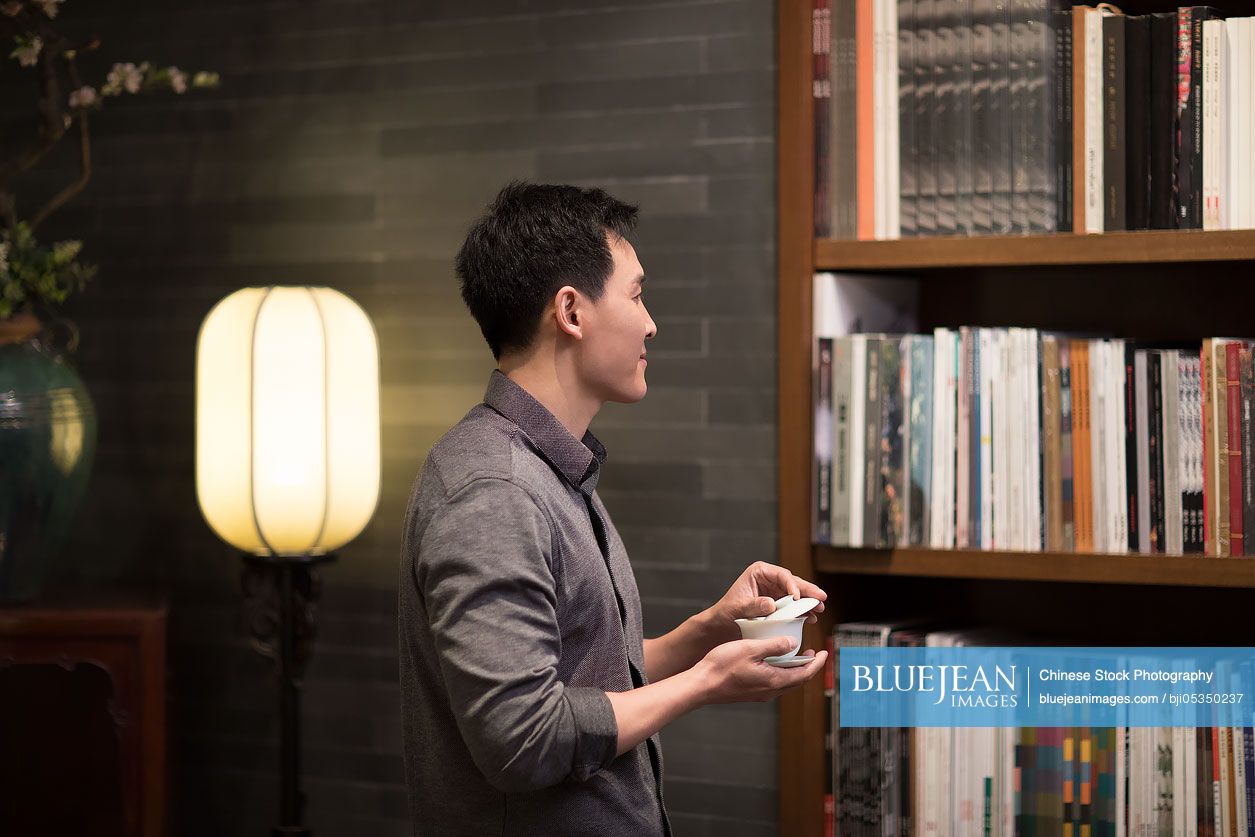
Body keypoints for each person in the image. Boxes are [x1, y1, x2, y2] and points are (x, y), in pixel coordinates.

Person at [398, 181, 828, 836]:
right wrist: (702, 683)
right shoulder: (495, 492)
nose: (650, 321)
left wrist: (706, 631)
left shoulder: (552, 468)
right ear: (570, 311)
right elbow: (521, 738)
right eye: (634, 293)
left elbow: (579, 679)